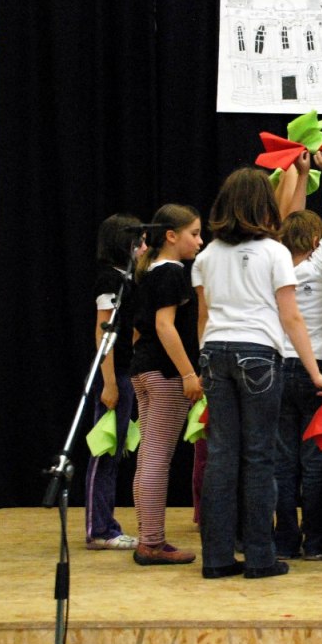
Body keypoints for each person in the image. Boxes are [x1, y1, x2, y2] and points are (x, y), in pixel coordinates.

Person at [195, 167, 322, 579]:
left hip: (215, 352)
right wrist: (315, 373)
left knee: (221, 457)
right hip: (258, 353)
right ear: (264, 207)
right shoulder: (274, 252)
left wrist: (205, 364)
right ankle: (260, 557)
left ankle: (217, 558)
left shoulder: (206, 256)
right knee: (260, 456)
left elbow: (203, 317)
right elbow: (291, 317)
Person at [269, 148, 322, 561]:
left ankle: (285, 541)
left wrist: (299, 176)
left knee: (282, 462)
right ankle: (316, 541)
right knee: (316, 460)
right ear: (317, 242)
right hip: (318, 367)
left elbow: (289, 222)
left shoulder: (275, 266)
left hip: (279, 367)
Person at [129, 203, 204, 565]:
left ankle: (148, 536)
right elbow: (164, 326)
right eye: (194, 234)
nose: (200, 242)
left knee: (148, 456)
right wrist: (188, 373)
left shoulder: (148, 272)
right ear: (171, 236)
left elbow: (139, 329)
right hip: (165, 373)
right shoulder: (173, 272)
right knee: (157, 458)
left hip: (144, 370)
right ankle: (152, 543)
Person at [84, 213, 144, 551]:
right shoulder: (110, 280)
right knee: (104, 452)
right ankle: (98, 529)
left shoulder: (127, 279)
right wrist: (109, 382)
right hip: (112, 375)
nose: (144, 247)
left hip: (125, 373)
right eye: (139, 241)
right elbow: (103, 332)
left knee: (116, 451)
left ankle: (107, 523)